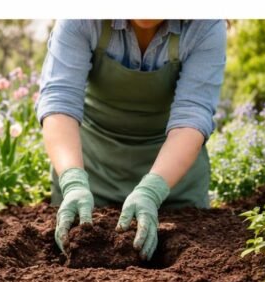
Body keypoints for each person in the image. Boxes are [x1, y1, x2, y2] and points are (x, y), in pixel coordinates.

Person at [36, 20, 226, 260]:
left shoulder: (205, 25)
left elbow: (192, 114)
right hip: (93, 172)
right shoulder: (82, 18)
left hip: (173, 183)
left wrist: (152, 191)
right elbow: (59, 101)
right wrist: (73, 183)